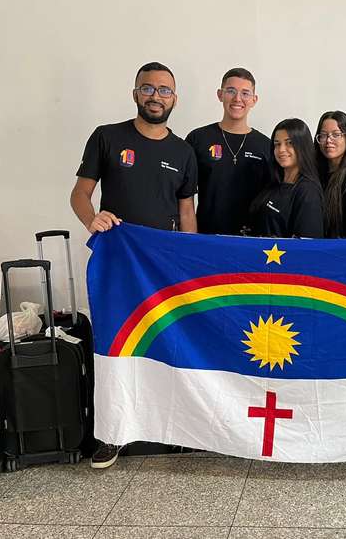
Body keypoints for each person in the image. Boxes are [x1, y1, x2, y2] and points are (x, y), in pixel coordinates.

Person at [70, 61, 197, 468]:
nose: (155, 96)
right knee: (115, 346)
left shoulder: (183, 151)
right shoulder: (107, 137)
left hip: (163, 268)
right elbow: (80, 193)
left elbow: (187, 212)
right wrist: (92, 218)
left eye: (164, 90)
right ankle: (111, 435)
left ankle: (170, 429)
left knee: (164, 343)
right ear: (135, 93)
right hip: (118, 264)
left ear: (174, 99)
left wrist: (192, 262)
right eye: (148, 89)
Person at [185, 68, 272, 235]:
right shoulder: (198, 139)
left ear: (254, 100)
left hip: (251, 242)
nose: (237, 98)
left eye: (245, 93)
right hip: (206, 238)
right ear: (220, 95)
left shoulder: (265, 146)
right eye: (231, 91)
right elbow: (183, 195)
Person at [247, 118, 324, 238]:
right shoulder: (274, 183)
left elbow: (307, 246)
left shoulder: (308, 192)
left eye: (290, 143)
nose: (281, 149)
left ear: (303, 146)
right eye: (277, 144)